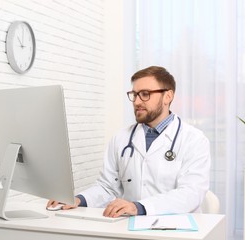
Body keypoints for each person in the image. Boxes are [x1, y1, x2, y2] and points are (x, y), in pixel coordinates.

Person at [48, 66, 211, 218]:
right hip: (130, 227)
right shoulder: (121, 138)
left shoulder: (194, 140)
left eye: (145, 94)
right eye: (134, 94)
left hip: (179, 229)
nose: (137, 101)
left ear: (168, 96)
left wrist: (139, 207)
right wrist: (78, 200)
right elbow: (108, 186)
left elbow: (191, 193)